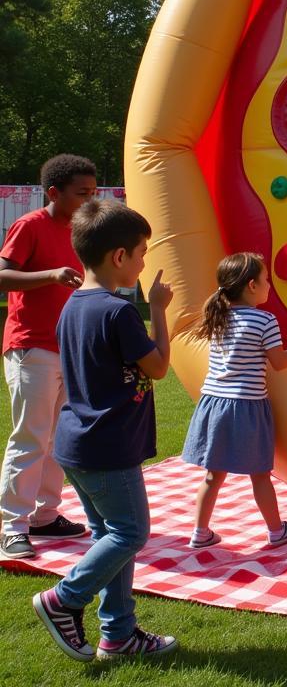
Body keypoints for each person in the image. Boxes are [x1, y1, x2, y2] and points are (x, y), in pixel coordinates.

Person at [31, 199, 178, 663]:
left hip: (78, 443)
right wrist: (158, 309)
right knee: (130, 533)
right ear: (119, 257)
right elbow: (157, 367)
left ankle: (118, 634)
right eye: (141, 252)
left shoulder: (74, 305)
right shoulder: (118, 312)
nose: (143, 262)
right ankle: (64, 600)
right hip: (107, 446)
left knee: (109, 537)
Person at [182, 251, 287, 549]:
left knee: (213, 475)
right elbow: (279, 362)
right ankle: (275, 530)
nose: (269, 285)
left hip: (214, 403)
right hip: (246, 405)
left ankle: (200, 532)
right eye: (266, 280)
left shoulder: (218, 316)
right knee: (259, 474)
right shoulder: (264, 320)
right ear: (251, 286)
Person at [1, 154, 97, 561]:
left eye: (93, 192)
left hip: (68, 348)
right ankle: (12, 526)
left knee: (60, 439)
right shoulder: (30, 225)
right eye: (82, 193)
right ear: (53, 192)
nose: (90, 200)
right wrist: (51, 275)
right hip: (31, 345)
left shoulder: (81, 229)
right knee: (31, 437)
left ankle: (45, 516)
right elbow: (2, 275)